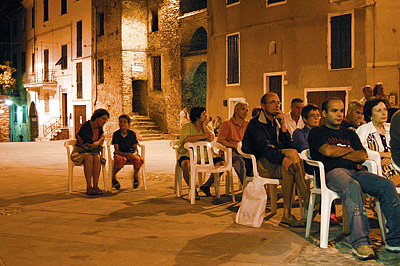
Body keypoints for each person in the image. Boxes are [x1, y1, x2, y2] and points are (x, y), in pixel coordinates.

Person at [308, 97, 400, 260]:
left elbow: (362, 155)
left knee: (386, 185)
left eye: (341, 111)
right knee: (352, 186)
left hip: (355, 171)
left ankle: (395, 239)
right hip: (333, 172)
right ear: (324, 113)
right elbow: (327, 151)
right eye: (334, 111)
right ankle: (361, 242)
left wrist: (341, 151)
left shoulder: (349, 132)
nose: (338, 114)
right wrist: (349, 151)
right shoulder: (317, 132)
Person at [242, 92, 310, 227]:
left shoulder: (277, 123)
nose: (277, 105)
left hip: (273, 161)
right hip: (259, 163)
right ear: (263, 106)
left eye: (278, 102)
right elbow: (264, 149)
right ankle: (306, 196)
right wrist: (283, 158)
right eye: (272, 102)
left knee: (289, 166)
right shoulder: (256, 124)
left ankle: (286, 215)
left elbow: (290, 146)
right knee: (289, 158)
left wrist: (284, 126)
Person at [293, 104, 339, 225]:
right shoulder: (299, 132)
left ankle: (327, 208)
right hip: (308, 164)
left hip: (325, 163)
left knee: (332, 171)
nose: (316, 118)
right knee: (324, 172)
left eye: (318, 116)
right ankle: (329, 212)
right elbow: (304, 147)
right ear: (305, 119)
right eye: (312, 116)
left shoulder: (324, 132)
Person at [177, 106, 225, 199]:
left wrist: (204, 126)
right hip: (188, 153)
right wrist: (202, 136)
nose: (206, 115)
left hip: (206, 154)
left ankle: (206, 185)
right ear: (197, 116)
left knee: (221, 164)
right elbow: (185, 139)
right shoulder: (187, 126)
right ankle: (192, 188)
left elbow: (210, 138)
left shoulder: (208, 127)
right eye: (203, 114)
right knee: (186, 165)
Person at [356, 99, 400, 186]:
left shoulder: (391, 127)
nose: (384, 113)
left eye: (385, 109)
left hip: (394, 164)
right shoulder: (365, 129)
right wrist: (383, 155)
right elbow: (359, 151)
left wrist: (392, 158)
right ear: (370, 115)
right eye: (379, 110)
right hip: (376, 167)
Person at [71, 108, 109, 195]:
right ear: (96, 117)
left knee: (97, 158)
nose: (105, 121)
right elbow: (93, 144)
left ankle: (95, 186)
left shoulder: (99, 128)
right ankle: (89, 186)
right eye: (103, 118)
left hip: (92, 151)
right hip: (79, 152)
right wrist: (101, 139)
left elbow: (97, 144)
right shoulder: (87, 126)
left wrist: (98, 142)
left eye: (106, 119)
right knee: (88, 157)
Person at [217, 102, 249, 184]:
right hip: (229, 151)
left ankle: (256, 185)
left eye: (247, 110)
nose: (245, 112)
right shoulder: (227, 124)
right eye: (243, 109)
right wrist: (234, 146)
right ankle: (247, 186)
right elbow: (220, 140)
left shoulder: (247, 124)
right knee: (237, 159)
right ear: (236, 110)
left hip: (244, 150)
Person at [111, 115, 144, 189]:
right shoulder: (116, 134)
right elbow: (117, 150)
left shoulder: (132, 134)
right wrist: (126, 155)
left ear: (128, 124)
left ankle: (135, 176)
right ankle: (113, 177)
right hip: (121, 154)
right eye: (120, 122)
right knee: (120, 160)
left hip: (131, 154)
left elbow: (135, 149)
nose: (122, 124)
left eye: (124, 122)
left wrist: (134, 154)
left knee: (138, 160)